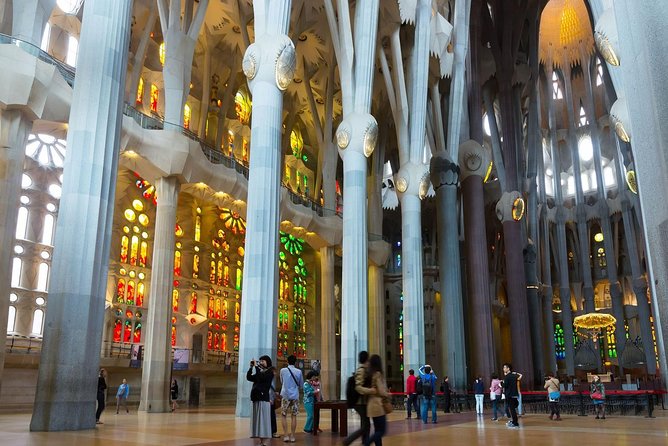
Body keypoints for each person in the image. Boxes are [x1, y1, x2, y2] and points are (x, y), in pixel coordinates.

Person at [358, 355, 389, 446]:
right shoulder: (378, 374)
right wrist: (387, 394)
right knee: (382, 431)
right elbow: (381, 391)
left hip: (371, 405)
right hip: (377, 406)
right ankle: (366, 443)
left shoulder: (370, 374)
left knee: (377, 430)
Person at [343, 351, 371, 446]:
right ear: (366, 359)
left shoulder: (363, 370)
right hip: (360, 402)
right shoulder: (361, 370)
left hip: (362, 402)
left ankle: (365, 441)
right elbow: (358, 387)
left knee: (365, 423)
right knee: (366, 425)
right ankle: (349, 440)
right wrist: (370, 391)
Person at [247, 355, 275, 446]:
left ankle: (264, 441)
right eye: (260, 361)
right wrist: (251, 368)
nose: (261, 362)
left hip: (263, 398)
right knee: (258, 420)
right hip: (256, 398)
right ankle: (261, 440)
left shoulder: (270, 372)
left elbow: (260, 378)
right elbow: (249, 378)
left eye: (263, 361)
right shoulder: (261, 372)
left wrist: (256, 367)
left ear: (267, 362)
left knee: (263, 420)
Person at [279, 354, 304, 442]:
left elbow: (281, 381)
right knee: (294, 416)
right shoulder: (299, 371)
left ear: (287, 361)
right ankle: (292, 436)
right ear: (295, 362)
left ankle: (286, 435)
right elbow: (301, 385)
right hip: (295, 396)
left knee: (283, 415)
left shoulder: (283, 370)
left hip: (285, 395)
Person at [501, 363, 521, 429]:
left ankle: (515, 423)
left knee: (512, 409)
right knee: (513, 409)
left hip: (509, 395)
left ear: (508, 368)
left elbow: (504, 385)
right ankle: (514, 421)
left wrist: (501, 384)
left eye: (504, 367)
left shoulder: (507, 377)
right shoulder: (514, 376)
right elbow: (520, 376)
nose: (503, 369)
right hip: (514, 394)